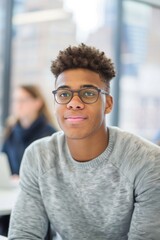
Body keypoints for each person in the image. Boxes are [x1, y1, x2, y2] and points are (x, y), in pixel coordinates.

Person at [8, 44, 160, 240]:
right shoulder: (38, 157)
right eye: (64, 94)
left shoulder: (147, 162)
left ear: (109, 104)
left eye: (88, 93)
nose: (74, 102)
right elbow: (23, 234)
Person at [1, 84, 57, 175]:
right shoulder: (11, 131)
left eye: (23, 100)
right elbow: (3, 162)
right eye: (15, 101)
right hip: (12, 187)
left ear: (38, 103)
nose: (18, 105)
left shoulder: (49, 134)